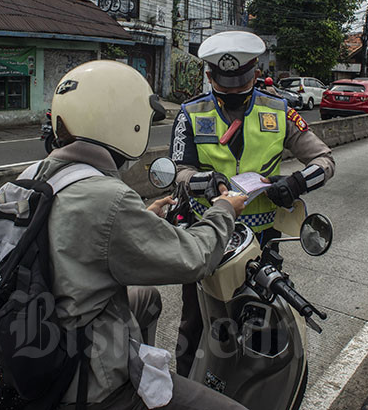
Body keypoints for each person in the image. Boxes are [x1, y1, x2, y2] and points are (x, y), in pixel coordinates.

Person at [38, 61, 249, 409]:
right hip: (82, 376)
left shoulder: (36, 175)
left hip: (37, 322)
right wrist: (224, 209)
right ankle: (128, 389)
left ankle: (137, 358)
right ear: (122, 122)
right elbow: (194, 258)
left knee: (146, 297)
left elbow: (76, 233)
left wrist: (142, 219)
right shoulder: (109, 196)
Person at [169, 30, 335, 375]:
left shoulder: (281, 111)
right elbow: (177, 173)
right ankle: (185, 390)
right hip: (206, 240)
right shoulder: (189, 114)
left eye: (241, 80)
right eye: (223, 81)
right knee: (194, 326)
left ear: (256, 73)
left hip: (261, 245)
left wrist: (295, 183)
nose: (232, 89)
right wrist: (206, 182)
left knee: (260, 327)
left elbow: (325, 161)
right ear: (210, 76)